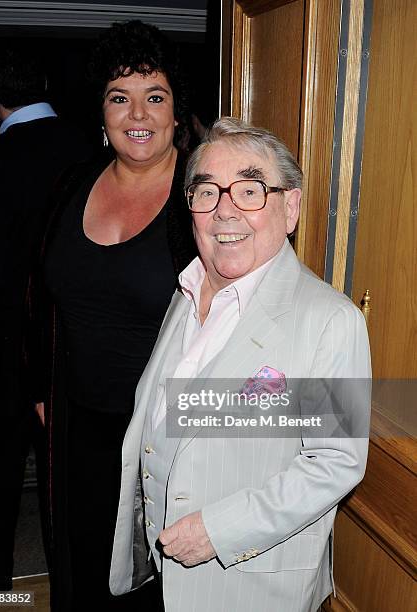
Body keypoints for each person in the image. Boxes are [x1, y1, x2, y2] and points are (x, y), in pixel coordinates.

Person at [109, 117, 372, 611]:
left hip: (247, 585)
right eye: (207, 192)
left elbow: (335, 462)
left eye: (250, 191)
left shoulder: (330, 322)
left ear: (289, 207)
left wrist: (216, 530)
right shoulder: (187, 291)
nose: (224, 211)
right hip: (161, 576)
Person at [33, 20, 195, 611]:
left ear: (178, 110)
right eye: (119, 97)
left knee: (154, 582)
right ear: (100, 113)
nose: (138, 114)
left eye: (156, 97)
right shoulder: (73, 183)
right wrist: (40, 385)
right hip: (77, 428)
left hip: (165, 440)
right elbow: (42, 294)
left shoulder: (200, 197)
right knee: (83, 568)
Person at [0, 48, 90, 591]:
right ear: (44, 83)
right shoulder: (90, 148)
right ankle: (75, 577)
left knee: (0, 461)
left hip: (12, 334)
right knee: (68, 463)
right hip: (76, 334)